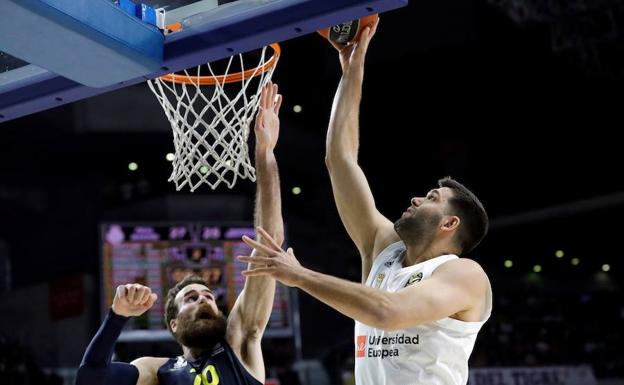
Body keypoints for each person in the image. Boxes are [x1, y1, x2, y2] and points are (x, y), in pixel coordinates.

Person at [237, 19, 492, 385]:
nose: (417, 198)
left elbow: (387, 311)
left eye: (433, 199)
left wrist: (300, 275)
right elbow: (340, 159)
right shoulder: (384, 249)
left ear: (449, 224)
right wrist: (351, 68)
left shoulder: (463, 274)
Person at [76, 82, 285, 385]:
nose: (203, 300)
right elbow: (90, 379)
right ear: (174, 324)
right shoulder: (157, 370)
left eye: (208, 296)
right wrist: (117, 316)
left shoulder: (240, 341)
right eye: (191, 298)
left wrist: (265, 154)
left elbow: (269, 246)